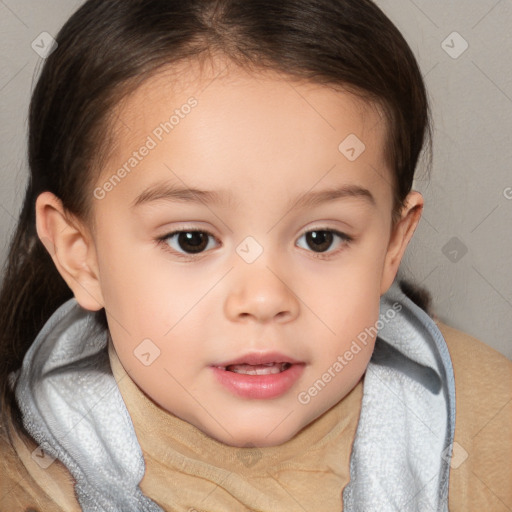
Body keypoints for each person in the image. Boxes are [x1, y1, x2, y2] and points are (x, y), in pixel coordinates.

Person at [0, 0, 510, 510]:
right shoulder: (20, 476)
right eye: (191, 240)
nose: (264, 299)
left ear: (391, 246)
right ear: (80, 255)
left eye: (321, 238)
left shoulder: (488, 430)